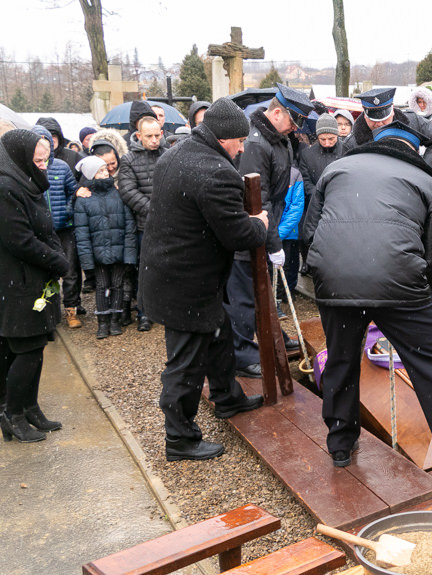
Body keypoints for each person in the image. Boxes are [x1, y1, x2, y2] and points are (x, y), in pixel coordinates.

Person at [303, 120, 432, 485]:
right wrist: (414, 287)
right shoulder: (426, 181)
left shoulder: (336, 169)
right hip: (400, 281)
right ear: (413, 151)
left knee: (342, 360)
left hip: (335, 279)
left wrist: (326, 272)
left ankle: (341, 444)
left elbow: (310, 230)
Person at [140, 97, 269, 462]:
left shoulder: (177, 153)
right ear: (223, 137)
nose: (242, 148)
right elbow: (237, 235)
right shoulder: (215, 170)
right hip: (186, 284)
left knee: (219, 336)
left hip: (172, 273)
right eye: (240, 141)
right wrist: (259, 223)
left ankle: (228, 398)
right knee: (185, 362)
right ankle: (179, 439)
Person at [346, 87, 432, 341]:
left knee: (427, 254)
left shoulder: (410, 119)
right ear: (365, 114)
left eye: (386, 117)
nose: (382, 123)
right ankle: (388, 324)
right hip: (378, 203)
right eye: (374, 119)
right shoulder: (355, 137)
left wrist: (423, 169)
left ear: (392, 109)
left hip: (412, 198)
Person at [227, 83, 308, 379]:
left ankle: (274, 335)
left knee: (264, 288)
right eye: (292, 121)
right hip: (249, 229)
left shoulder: (276, 138)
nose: (294, 129)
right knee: (245, 295)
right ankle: (242, 353)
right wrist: (274, 243)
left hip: (264, 221)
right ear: (276, 113)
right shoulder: (257, 144)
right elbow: (256, 200)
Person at [0, 129, 69, 443]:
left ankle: (31, 407)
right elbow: (20, 241)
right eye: (38, 161)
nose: (44, 166)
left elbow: (43, 228)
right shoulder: (6, 188)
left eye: (45, 160)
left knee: (36, 348)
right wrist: (57, 261)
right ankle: (13, 414)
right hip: (20, 284)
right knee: (26, 351)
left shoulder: (26, 183)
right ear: (21, 160)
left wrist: (55, 255)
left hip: (35, 279)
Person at [73, 156, 136, 339]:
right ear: (92, 175)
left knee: (116, 285)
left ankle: (115, 319)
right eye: (100, 170)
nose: (106, 172)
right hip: (98, 252)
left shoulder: (118, 194)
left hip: (118, 250)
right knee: (102, 286)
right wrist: (87, 259)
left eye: (105, 169)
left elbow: (128, 225)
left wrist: (129, 254)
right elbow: (82, 233)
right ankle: (102, 322)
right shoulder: (84, 199)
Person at [31, 124, 83, 329]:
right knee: (46, 273)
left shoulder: (61, 167)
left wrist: (70, 209)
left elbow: (74, 190)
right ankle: (48, 313)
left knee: (70, 270)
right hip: (40, 231)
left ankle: (71, 309)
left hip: (64, 228)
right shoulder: (29, 169)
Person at [118, 114, 165, 332]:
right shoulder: (128, 160)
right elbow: (128, 191)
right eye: (149, 136)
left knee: (168, 269)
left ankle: (166, 310)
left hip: (169, 223)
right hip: (143, 225)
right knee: (144, 271)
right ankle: (145, 313)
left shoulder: (169, 154)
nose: (154, 140)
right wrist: (154, 210)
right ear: (139, 136)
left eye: (157, 135)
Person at [298, 113, 345, 276]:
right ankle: (308, 262)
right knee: (308, 234)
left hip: (341, 203)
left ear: (337, 135)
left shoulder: (347, 151)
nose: (326, 143)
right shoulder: (307, 154)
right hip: (314, 204)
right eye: (322, 139)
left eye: (331, 139)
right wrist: (318, 197)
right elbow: (305, 179)